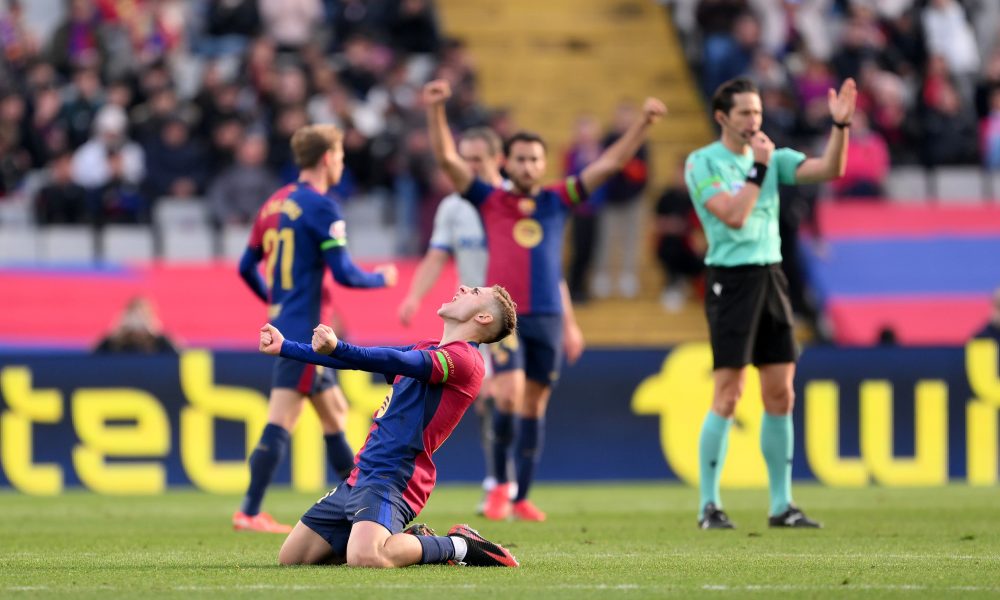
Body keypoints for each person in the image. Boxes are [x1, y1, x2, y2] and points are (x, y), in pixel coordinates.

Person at [424, 78, 666, 521]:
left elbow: (609, 165)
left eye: (535, 159)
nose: (529, 165)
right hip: (505, 319)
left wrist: (642, 127)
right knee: (508, 393)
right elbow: (446, 158)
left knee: (535, 402)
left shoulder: (559, 199)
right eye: (521, 158)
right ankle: (498, 486)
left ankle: (521, 497)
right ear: (507, 162)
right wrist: (437, 111)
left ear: (543, 163)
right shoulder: (491, 200)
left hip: (550, 317)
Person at [685, 76, 857, 529]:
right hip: (731, 281)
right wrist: (759, 169)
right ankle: (709, 505)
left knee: (781, 393)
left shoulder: (774, 158)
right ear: (722, 117)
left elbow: (830, 170)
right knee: (729, 393)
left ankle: (781, 505)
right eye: (744, 112)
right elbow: (735, 217)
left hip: (772, 276)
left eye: (757, 112)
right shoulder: (703, 163)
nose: (753, 120)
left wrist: (840, 126)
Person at [397, 126, 586, 513]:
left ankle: (509, 486)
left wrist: (568, 321)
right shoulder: (456, 206)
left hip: (523, 312)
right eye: (464, 158)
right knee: (497, 397)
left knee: (516, 398)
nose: (469, 165)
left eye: (477, 158)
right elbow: (437, 255)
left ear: (497, 160)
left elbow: (547, 268)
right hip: (477, 318)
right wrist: (415, 296)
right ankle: (498, 480)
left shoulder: (512, 202)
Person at [264, 285, 520, 568]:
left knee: (366, 557)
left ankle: (460, 545)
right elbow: (366, 359)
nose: (461, 287)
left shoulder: (465, 360)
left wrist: (338, 346)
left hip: (394, 477)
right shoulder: (428, 347)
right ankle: (409, 539)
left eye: (473, 291)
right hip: (361, 474)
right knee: (293, 559)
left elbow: (394, 360)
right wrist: (285, 347)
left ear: (483, 317)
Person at [233, 124, 398, 533]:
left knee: (335, 413)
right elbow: (345, 274)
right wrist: (382, 278)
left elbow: (244, 266)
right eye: (340, 156)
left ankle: (353, 503)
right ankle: (250, 512)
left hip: (288, 319)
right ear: (328, 157)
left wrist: (275, 300)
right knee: (282, 416)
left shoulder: (274, 204)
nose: (341, 163)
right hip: (307, 331)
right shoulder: (322, 207)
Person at [93, 296, 179, 354]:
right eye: (134, 314)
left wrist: (155, 332)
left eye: (143, 315)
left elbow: (179, 357)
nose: (138, 320)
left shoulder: (160, 342)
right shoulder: (113, 343)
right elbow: (92, 359)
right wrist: (116, 332)